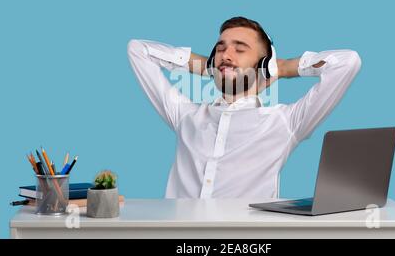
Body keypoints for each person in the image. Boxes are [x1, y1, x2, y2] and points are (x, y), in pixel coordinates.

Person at [127, 16, 362, 198]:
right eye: (220, 49)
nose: (226, 55)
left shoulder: (284, 122)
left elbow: (347, 62)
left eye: (239, 49)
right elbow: (138, 50)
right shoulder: (185, 115)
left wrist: (283, 68)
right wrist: (208, 66)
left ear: (264, 66)